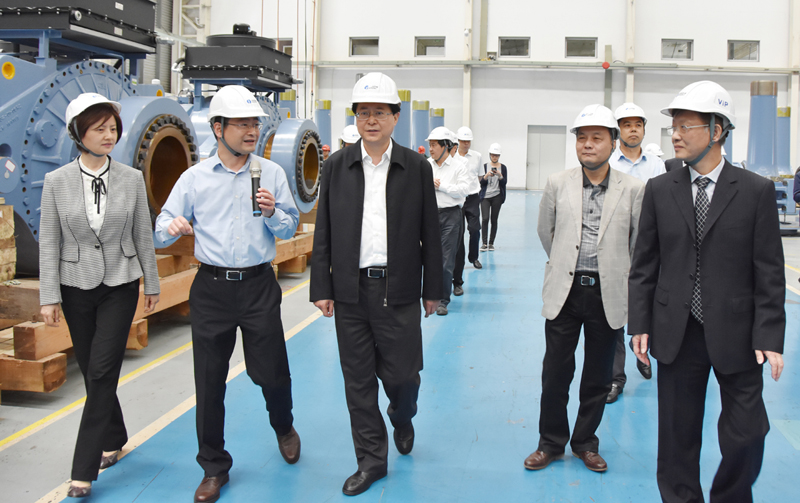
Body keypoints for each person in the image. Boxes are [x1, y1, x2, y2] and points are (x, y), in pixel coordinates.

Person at [628, 80, 785, 502]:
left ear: (717, 130)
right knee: (677, 438)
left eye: (686, 126)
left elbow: (770, 272)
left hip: (738, 331)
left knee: (748, 433)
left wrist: (770, 336)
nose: (675, 135)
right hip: (677, 330)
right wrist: (640, 323)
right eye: (673, 127)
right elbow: (644, 265)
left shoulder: (755, 191)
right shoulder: (660, 190)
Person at [154, 85, 301, 503]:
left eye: (255, 123)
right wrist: (172, 227)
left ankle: (283, 425)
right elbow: (160, 228)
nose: (252, 131)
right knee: (209, 381)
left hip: (258, 285)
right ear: (218, 128)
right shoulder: (194, 178)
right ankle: (214, 467)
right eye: (242, 124)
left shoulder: (270, 173)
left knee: (271, 372)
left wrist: (273, 212)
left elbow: (290, 226)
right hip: (212, 288)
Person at [310, 72, 443, 496]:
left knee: (403, 376)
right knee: (358, 382)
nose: (371, 120)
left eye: (380, 112)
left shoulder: (415, 167)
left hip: (398, 289)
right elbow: (324, 231)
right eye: (364, 112)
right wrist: (322, 287)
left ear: (395, 117)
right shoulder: (337, 166)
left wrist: (433, 289)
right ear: (355, 117)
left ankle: (402, 416)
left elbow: (430, 231)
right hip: (350, 292)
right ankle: (371, 462)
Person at [38, 93, 161, 498]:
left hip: (120, 284)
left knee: (103, 371)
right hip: (75, 286)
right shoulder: (56, 182)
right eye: (99, 129)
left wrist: (152, 283)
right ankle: (115, 434)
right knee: (94, 368)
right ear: (79, 134)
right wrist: (48, 296)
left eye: (112, 128)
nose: (109, 135)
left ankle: (83, 470)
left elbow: (142, 234)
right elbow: (49, 241)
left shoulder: (130, 178)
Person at [525, 104, 644, 474]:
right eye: (581, 138)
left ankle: (585, 443)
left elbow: (638, 243)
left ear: (613, 143)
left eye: (596, 138)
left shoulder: (634, 189)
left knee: (598, 376)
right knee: (555, 373)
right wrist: (566, 263)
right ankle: (550, 443)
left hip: (608, 294)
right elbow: (546, 231)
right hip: (565, 291)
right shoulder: (557, 183)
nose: (587, 144)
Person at [605, 103, 666, 403]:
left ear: (643, 129)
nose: (633, 130)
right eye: (626, 125)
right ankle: (615, 378)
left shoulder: (656, 165)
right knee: (614, 312)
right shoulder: (608, 162)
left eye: (637, 125)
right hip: (615, 243)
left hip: (650, 243)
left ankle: (641, 347)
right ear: (618, 130)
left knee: (651, 302)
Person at [427, 126, 471, 316]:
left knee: (446, 260)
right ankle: (428, 294)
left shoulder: (458, 167)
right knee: (429, 259)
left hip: (451, 216)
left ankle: (443, 300)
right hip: (429, 215)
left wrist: (441, 186)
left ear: (445, 146)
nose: (430, 149)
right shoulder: (426, 165)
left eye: (434, 145)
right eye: (429, 145)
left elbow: (463, 190)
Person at [452, 126, 484, 297]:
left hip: (472, 198)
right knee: (459, 234)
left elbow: (479, 177)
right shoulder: (452, 156)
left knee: (475, 229)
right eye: (463, 141)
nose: (466, 144)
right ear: (458, 141)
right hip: (458, 199)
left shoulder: (477, 156)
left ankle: (473, 257)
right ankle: (459, 273)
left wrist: (473, 190)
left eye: (468, 141)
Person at [479, 143, 508, 251]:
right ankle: (484, 243)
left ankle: (491, 243)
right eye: (493, 155)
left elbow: (504, 183)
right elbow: (481, 183)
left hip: (497, 196)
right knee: (485, 218)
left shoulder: (503, 168)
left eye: (496, 155)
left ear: (499, 156)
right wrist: (486, 175)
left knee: (494, 219)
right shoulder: (484, 166)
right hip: (485, 196)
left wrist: (500, 176)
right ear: (490, 154)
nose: (494, 157)